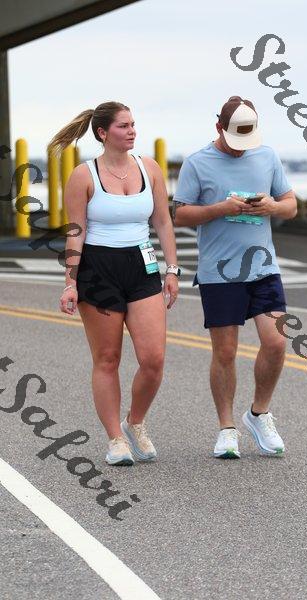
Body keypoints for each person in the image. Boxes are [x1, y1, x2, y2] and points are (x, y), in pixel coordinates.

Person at [48, 101, 181, 466]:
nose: (132, 130)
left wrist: (172, 270)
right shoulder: (83, 175)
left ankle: (134, 422)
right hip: (98, 270)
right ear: (103, 133)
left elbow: (163, 222)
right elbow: (75, 232)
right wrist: (70, 283)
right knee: (107, 359)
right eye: (124, 126)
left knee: (153, 360)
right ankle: (115, 439)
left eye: (133, 124)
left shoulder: (149, 168)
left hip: (141, 267)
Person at [172, 95, 297, 459]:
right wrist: (220, 209)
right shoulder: (197, 162)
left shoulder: (267, 156)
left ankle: (258, 414)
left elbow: (291, 205)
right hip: (219, 272)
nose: (242, 148)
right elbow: (180, 215)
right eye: (235, 139)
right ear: (219, 127)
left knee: (276, 343)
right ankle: (227, 429)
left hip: (263, 268)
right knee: (225, 352)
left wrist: (273, 206)